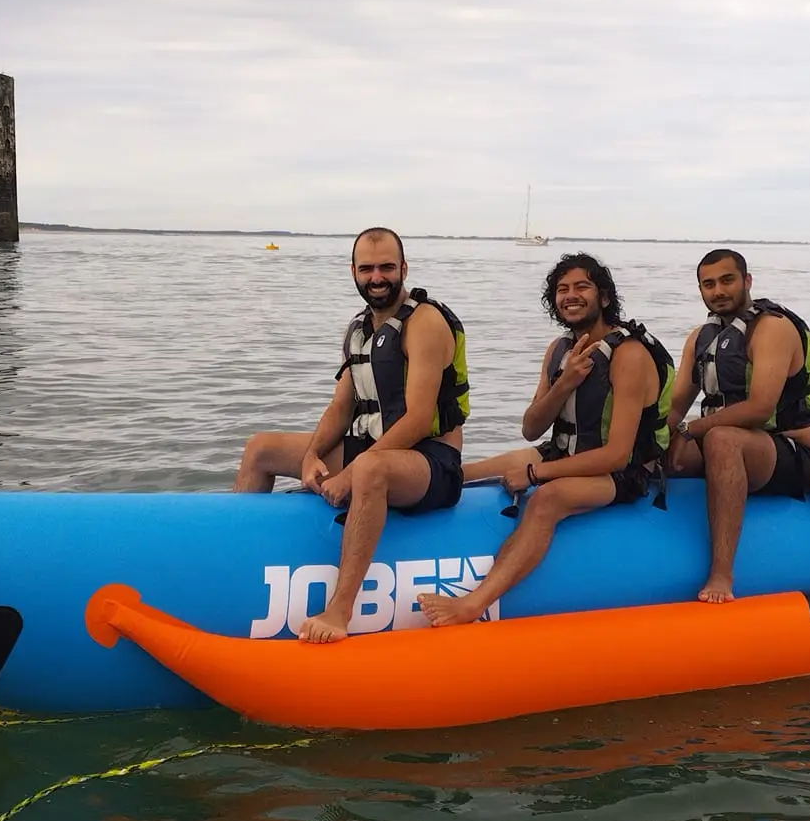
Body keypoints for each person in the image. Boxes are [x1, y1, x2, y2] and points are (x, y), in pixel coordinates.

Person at [232, 227, 469, 642]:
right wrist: (311, 455)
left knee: (370, 469)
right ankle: (234, 567)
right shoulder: (360, 328)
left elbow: (416, 420)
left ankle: (339, 612)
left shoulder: (425, 323)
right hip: (374, 448)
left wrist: (349, 473)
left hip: (431, 462)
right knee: (261, 448)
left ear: (404, 269)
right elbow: (342, 406)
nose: (377, 277)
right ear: (353, 272)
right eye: (367, 269)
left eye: (386, 268)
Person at [424, 254, 674, 626]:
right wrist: (565, 382)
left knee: (547, 500)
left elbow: (618, 455)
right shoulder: (559, 350)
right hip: (565, 453)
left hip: (623, 474)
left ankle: (474, 604)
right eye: (562, 289)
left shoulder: (629, 355)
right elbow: (531, 428)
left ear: (604, 297)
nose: (570, 296)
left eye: (581, 287)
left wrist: (537, 474)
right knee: (470, 470)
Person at [664, 248, 810, 604]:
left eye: (727, 280)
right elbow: (674, 407)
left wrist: (692, 430)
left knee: (721, 438)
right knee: (667, 442)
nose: (718, 290)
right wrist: (657, 442)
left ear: (747, 281)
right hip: (731, 439)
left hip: (787, 450)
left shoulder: (772, 329)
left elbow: (760, 409)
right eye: (709, 284)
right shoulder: (701, 337)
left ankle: (722, 573)